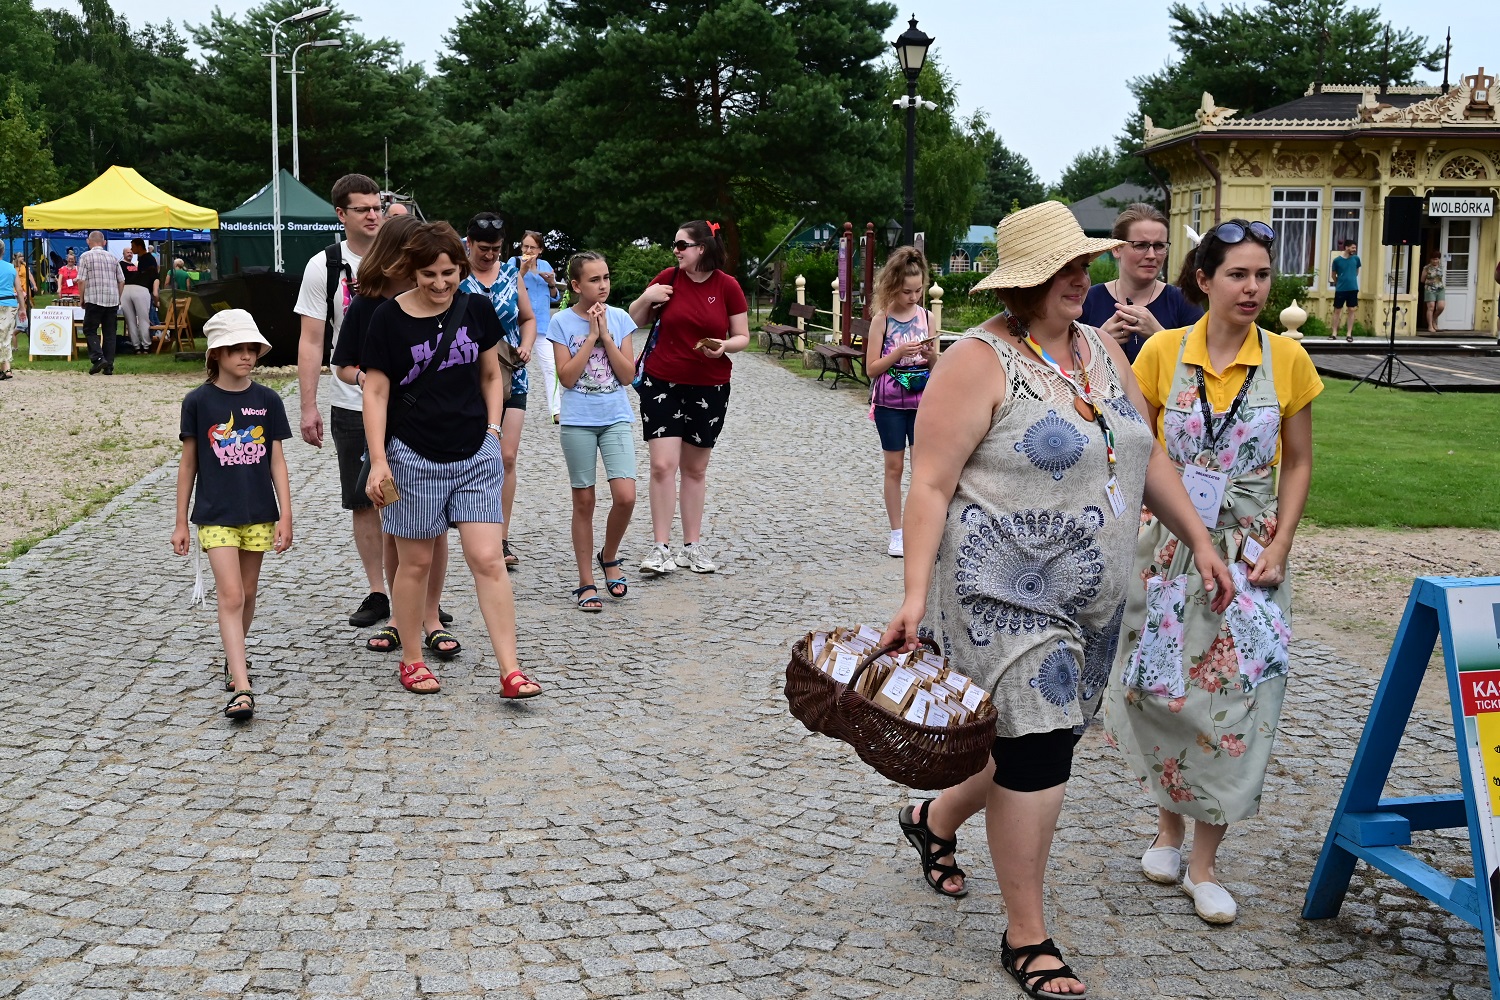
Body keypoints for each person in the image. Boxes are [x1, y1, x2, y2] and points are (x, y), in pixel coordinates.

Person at [880, 201, 1232, 998]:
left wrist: (1201, 542)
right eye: (1067, 269)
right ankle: (1027, 936)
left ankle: (932, 822)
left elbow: (1147, 458)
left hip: (1092, 600)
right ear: (1028, 282)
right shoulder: (976, 359)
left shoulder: (1104, 350)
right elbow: (930, 484)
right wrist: (910, 598)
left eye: (1085, 265)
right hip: (1000, 593)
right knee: (1038, 753)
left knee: (1036, 746)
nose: (1085, 279)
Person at [1103, 218, 1322, 927]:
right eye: (1238, 274)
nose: (1253, 288)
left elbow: (1298, 461)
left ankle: (1204, 863)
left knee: (1236, 705)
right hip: (1168, 549)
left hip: (1248, 559)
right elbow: (1140, 451)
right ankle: (1166, 827)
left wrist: (1282, 544)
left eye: (1262, 275)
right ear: (1203, 280)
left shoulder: (1286, 359)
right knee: (1162, 692)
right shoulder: (1164, 352)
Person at [359, 222, 542, 700]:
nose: (440, 284)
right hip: (412, 454)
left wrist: (494, 430)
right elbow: (375, 391)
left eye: (448, 273)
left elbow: (490, 373)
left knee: (488, 558)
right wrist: (379, 460)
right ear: (411, 271)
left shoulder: (475, 307)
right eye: (429, 274)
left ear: (460, 268)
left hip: (474, 451)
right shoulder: (387, 319)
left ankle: (510, 670)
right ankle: (412, 659)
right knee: (415, 563)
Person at [329, 213, 458, 657]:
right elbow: (342, 362)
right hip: (389, 427)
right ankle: (401, 619)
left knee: (436, 529)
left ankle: (432, 615)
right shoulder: (367, 304)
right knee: (394, 525)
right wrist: (368, 379)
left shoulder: (442, 298)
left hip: (437, 426)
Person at [171, 310, 293, 721]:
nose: (246, 356)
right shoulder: (199, 402)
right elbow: (188, 464)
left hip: (259, 513)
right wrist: (180, 521)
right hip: (215, 514)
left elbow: (277, 461)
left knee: (249, 594)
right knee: (231, 595)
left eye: (251, 349)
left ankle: (232, 656)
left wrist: (286, 515)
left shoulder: (268, 400)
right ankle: (242, 687)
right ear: (216, 354)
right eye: (237, 349)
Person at [627, 220, 749, 576]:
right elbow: (633, 321)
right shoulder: (668, 278)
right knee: (663, 465)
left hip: (709, 384)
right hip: (662, 381)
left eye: (682, 245)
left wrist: (724, 346)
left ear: (703, 248)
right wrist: (646, 298)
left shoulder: (727, 286)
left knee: (695, 469)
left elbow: (741, 335)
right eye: (675, 245)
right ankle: (660, 547)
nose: (676, 250)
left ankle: (692, 546)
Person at [295, 173, 389, 629]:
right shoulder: (324, 266)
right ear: (341, 214)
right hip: (350, 400)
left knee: (411, 496)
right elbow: (312, 341)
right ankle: (379, 592)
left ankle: (417, 593)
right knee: (363, 499)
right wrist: (308, 406)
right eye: (363, 209)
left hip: (403, 402)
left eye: (377, 207)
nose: (373, 215)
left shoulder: (402, 258)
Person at [547, 251, 637, 611]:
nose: (603, 286)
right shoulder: (560, 323)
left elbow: (628, 376)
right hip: (577, 421)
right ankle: (586, 581)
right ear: (576, 285)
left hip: (614, 415)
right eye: (594, 280)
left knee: (626, 496)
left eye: (606, 277)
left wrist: (607, 337)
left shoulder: (621, 318)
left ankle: (609, 555)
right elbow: (567, 379)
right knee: (584, 501)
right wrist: (589, 337)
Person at [460, 214, 537, 569]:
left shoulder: (510, 274)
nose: (490, 255)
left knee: (506, 457)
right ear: (469, 243)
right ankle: (472, 528)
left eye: (496, 249)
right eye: (483, 248)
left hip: (511, 375)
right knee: (474, 455)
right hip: (468, 378)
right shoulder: (457, 276)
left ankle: (501, 536)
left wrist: (527, 344)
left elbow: (527, 317)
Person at [863, 246, 934, 558]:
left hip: (922, 400)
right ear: (893, 286)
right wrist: (896, 354)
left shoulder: (927, 317)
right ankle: (896, 533)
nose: (913, 297)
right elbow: (871, 369)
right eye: (907, 291)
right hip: (890, 402)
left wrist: (932, 356)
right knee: (894, 467)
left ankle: (922, 529)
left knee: (923, 468)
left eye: (918, 290)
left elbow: (936, 366)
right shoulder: (883, 320)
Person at [1079, 203, 1203, 363]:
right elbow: (1064, 368)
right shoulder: (1087, 301)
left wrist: (1160, 337)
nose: (1151, 255)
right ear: (1116, 248)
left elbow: (1203, 368)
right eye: (1141, 245)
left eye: (1159, 246)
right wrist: (1097, 344)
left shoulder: (1184, 303)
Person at [512, 231, 563, 423]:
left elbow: (555, 297)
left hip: (542, 325)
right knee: (513, 366)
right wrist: (523, 271)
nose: (528, 250)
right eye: (525, 246)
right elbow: (507, 286)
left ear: (540, 250)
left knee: (551, 367)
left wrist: (551, 283)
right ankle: (505, 405)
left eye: (532, 247)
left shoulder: (546, 266)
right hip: (518, 324)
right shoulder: (513, 263)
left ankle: (556, 411)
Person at [78, 231, 125, 376]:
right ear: (104, 242)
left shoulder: (85, 256)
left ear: (88, 241)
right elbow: (122, 280)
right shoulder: (113, 257)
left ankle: (98, 358)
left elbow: (81, 280)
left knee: (90, 329)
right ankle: (109, 365)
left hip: (94, 297)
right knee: (110, 333)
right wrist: (118, 297)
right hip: (112, 299)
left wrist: (82, 297)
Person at [121, 238, 159, 353]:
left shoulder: (143, 260)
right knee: (143, 319)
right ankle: (146, 346)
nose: (131, 250)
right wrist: (156, 297)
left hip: (126, 289)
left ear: (139, 246)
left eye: (133, 246)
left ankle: (136, 346)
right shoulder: (149, 260)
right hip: (141, 289)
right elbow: (155, 279)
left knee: (130, 320)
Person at [1329, 239, 1360, 342]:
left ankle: (1349, 334)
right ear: (1346, 247)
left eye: (1355, 248)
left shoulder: (1356, 259)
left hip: (1353, 289)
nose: (1354, 250)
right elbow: (1333, 274)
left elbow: (1356, 272)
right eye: (1352, 247)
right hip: (1341, 289)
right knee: (1337, 310)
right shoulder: (1337, 260)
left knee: (1351, 310)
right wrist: (1339, 282)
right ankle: (1334, 333)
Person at [0, 244, 22, 381]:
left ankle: (5, 368)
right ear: (3, 251)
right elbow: (19, 290)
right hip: (9, 304)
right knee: (6, 336)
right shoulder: (11, 268)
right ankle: (6, 367)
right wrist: (23, 308)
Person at [1421, 252, 1446, 332]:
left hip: (1440, 288)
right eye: (1433, 259)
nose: (1435, 261)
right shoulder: (1427, 268)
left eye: (1437, 259)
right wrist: (1430, 282)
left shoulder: (1441, 266)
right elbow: (1422, 279)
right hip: (1430, 289)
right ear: (1430, 259)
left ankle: (1434, 319)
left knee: (1441, 306)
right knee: (1431, 307)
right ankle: (1430, 326)